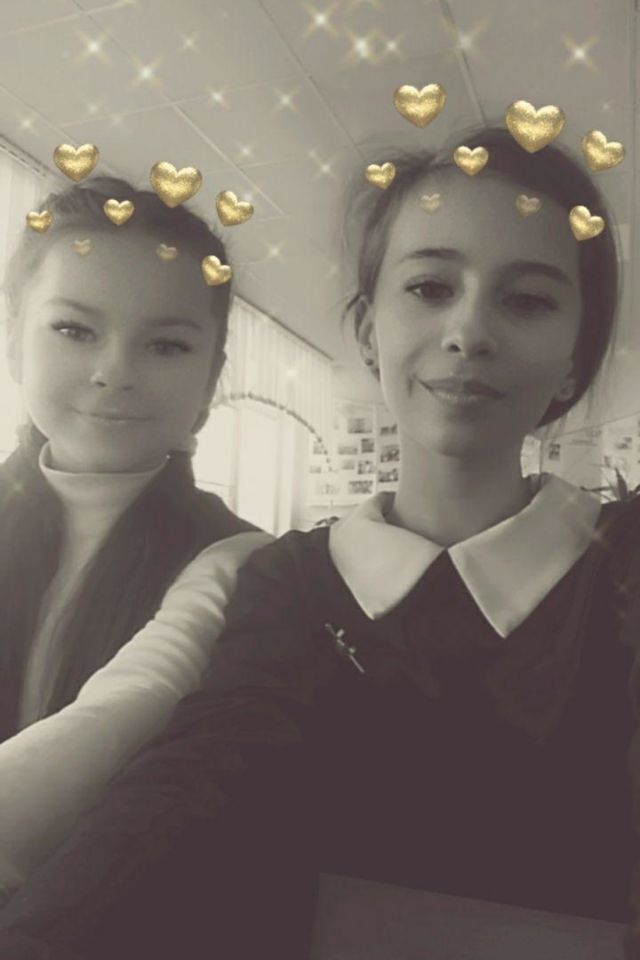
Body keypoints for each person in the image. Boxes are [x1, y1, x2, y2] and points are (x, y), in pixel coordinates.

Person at [0, 124, 638, 960]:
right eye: (430, 287)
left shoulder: (621, 571)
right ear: (369, 332)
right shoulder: (286, 582)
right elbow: (186, 787)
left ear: (576, 357)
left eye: (527, 301)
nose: (469, 331)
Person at [0, 176, 269, 896]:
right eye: (74, 330)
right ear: (13, 340)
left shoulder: (249, 566)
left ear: (210, 379)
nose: (114, 372)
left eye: (166, 345)